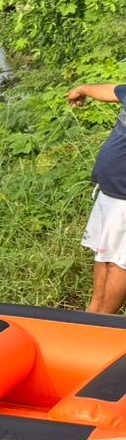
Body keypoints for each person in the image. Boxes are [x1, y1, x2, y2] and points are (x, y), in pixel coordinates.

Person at [68, 83, 126, 313]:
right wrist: (81, 89)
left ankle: (105, 323)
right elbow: (114, 90)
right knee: (104, 255)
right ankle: (93, 314)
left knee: (120, 263)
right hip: (110, 192)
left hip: (124, 199)